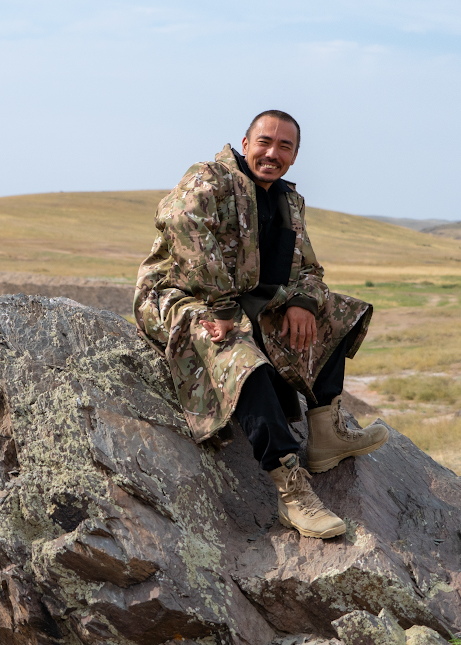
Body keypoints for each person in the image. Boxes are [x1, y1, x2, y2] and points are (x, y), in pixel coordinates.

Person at [133, 110, 388, 539]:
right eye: (265, 142)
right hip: (180, 296)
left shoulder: (288, 200)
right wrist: (222, 309)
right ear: (245, 142)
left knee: (335, 311)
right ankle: (290, 489)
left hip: (246, 298)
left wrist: (303, 303)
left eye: (284, 146)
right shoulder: (209, 178)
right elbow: (182, 226)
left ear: (294, 155)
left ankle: (324, 433)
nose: (272, 153)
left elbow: (309, 269)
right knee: (241, 355)